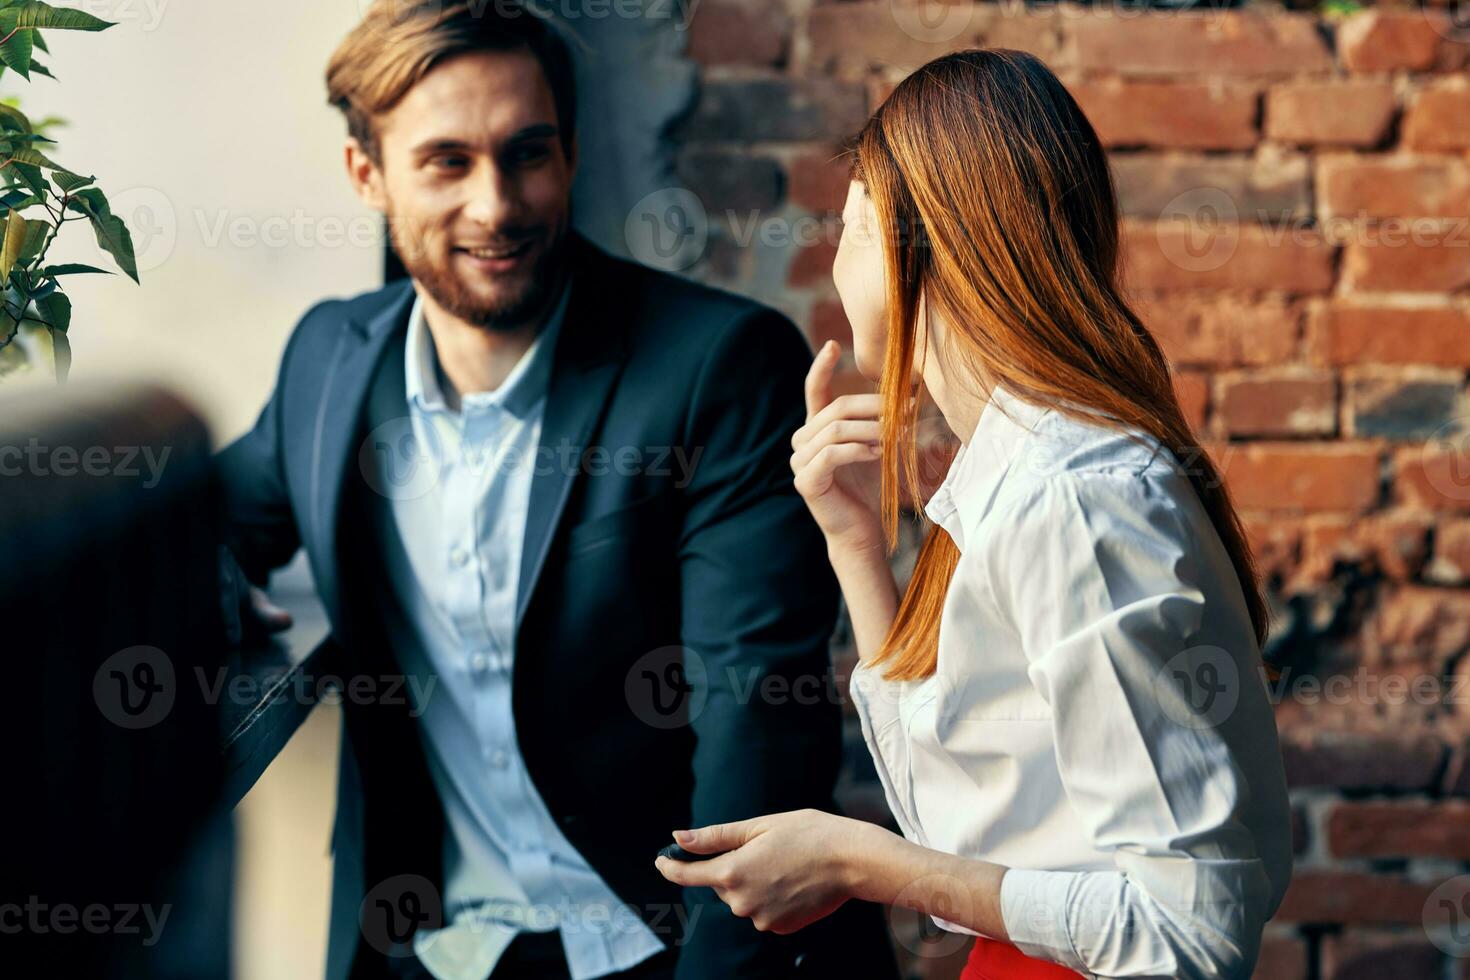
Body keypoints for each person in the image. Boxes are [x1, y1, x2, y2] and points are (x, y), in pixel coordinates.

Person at [218, 2, 899, 978]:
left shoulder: (719, 368)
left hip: (669, 941)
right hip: (428, 942)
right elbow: (207, 522)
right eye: (447, 162)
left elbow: (757, 744)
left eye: (525, 153)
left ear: (571, 154)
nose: (495, 204)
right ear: (367, 175)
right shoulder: (328, 359)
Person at [655, 49, 1294, 980]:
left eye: (849, 227)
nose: (834, 265)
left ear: (914, 246)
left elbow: (1189, 931)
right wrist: (854, 543)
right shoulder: (1020, 466)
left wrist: (858, 863)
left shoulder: (1075, 493)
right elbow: (955, 818)